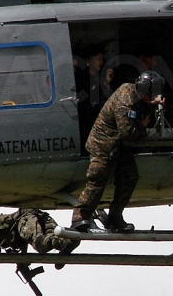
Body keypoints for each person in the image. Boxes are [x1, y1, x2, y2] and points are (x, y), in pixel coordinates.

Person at [71, 70, 166, 232]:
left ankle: (115, 218)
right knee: (97, 178)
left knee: (130, 177)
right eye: (150, 94)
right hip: (103, 144)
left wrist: (151, 106)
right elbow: (128, 133)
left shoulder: (133, 93)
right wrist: (143, 127)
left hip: (119, 145)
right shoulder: (125, 102)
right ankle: (79, 218)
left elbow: (137, 114)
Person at [0, 208, 77, 255]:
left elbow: (17, 228)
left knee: (41, 245)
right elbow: (20, 237)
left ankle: (66, 241)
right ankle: (67, 242)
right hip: (36, 218)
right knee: (48, 243)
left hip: (28, 218)